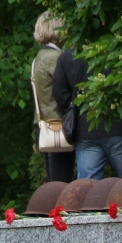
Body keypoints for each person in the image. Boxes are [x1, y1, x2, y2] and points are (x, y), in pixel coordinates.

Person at [52, 47, 122, 180]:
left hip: (85, 128)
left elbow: (58, 92)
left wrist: (75, 111)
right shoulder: (119, 46)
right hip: (121, 126)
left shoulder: (67, 55)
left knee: (87, 190)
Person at [31, 11, 74, 184]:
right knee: (61, 185)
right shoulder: (54, 58)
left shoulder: (40, 57)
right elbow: (64, 90)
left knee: (54, 182)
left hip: (44, 125)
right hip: (57, 126)